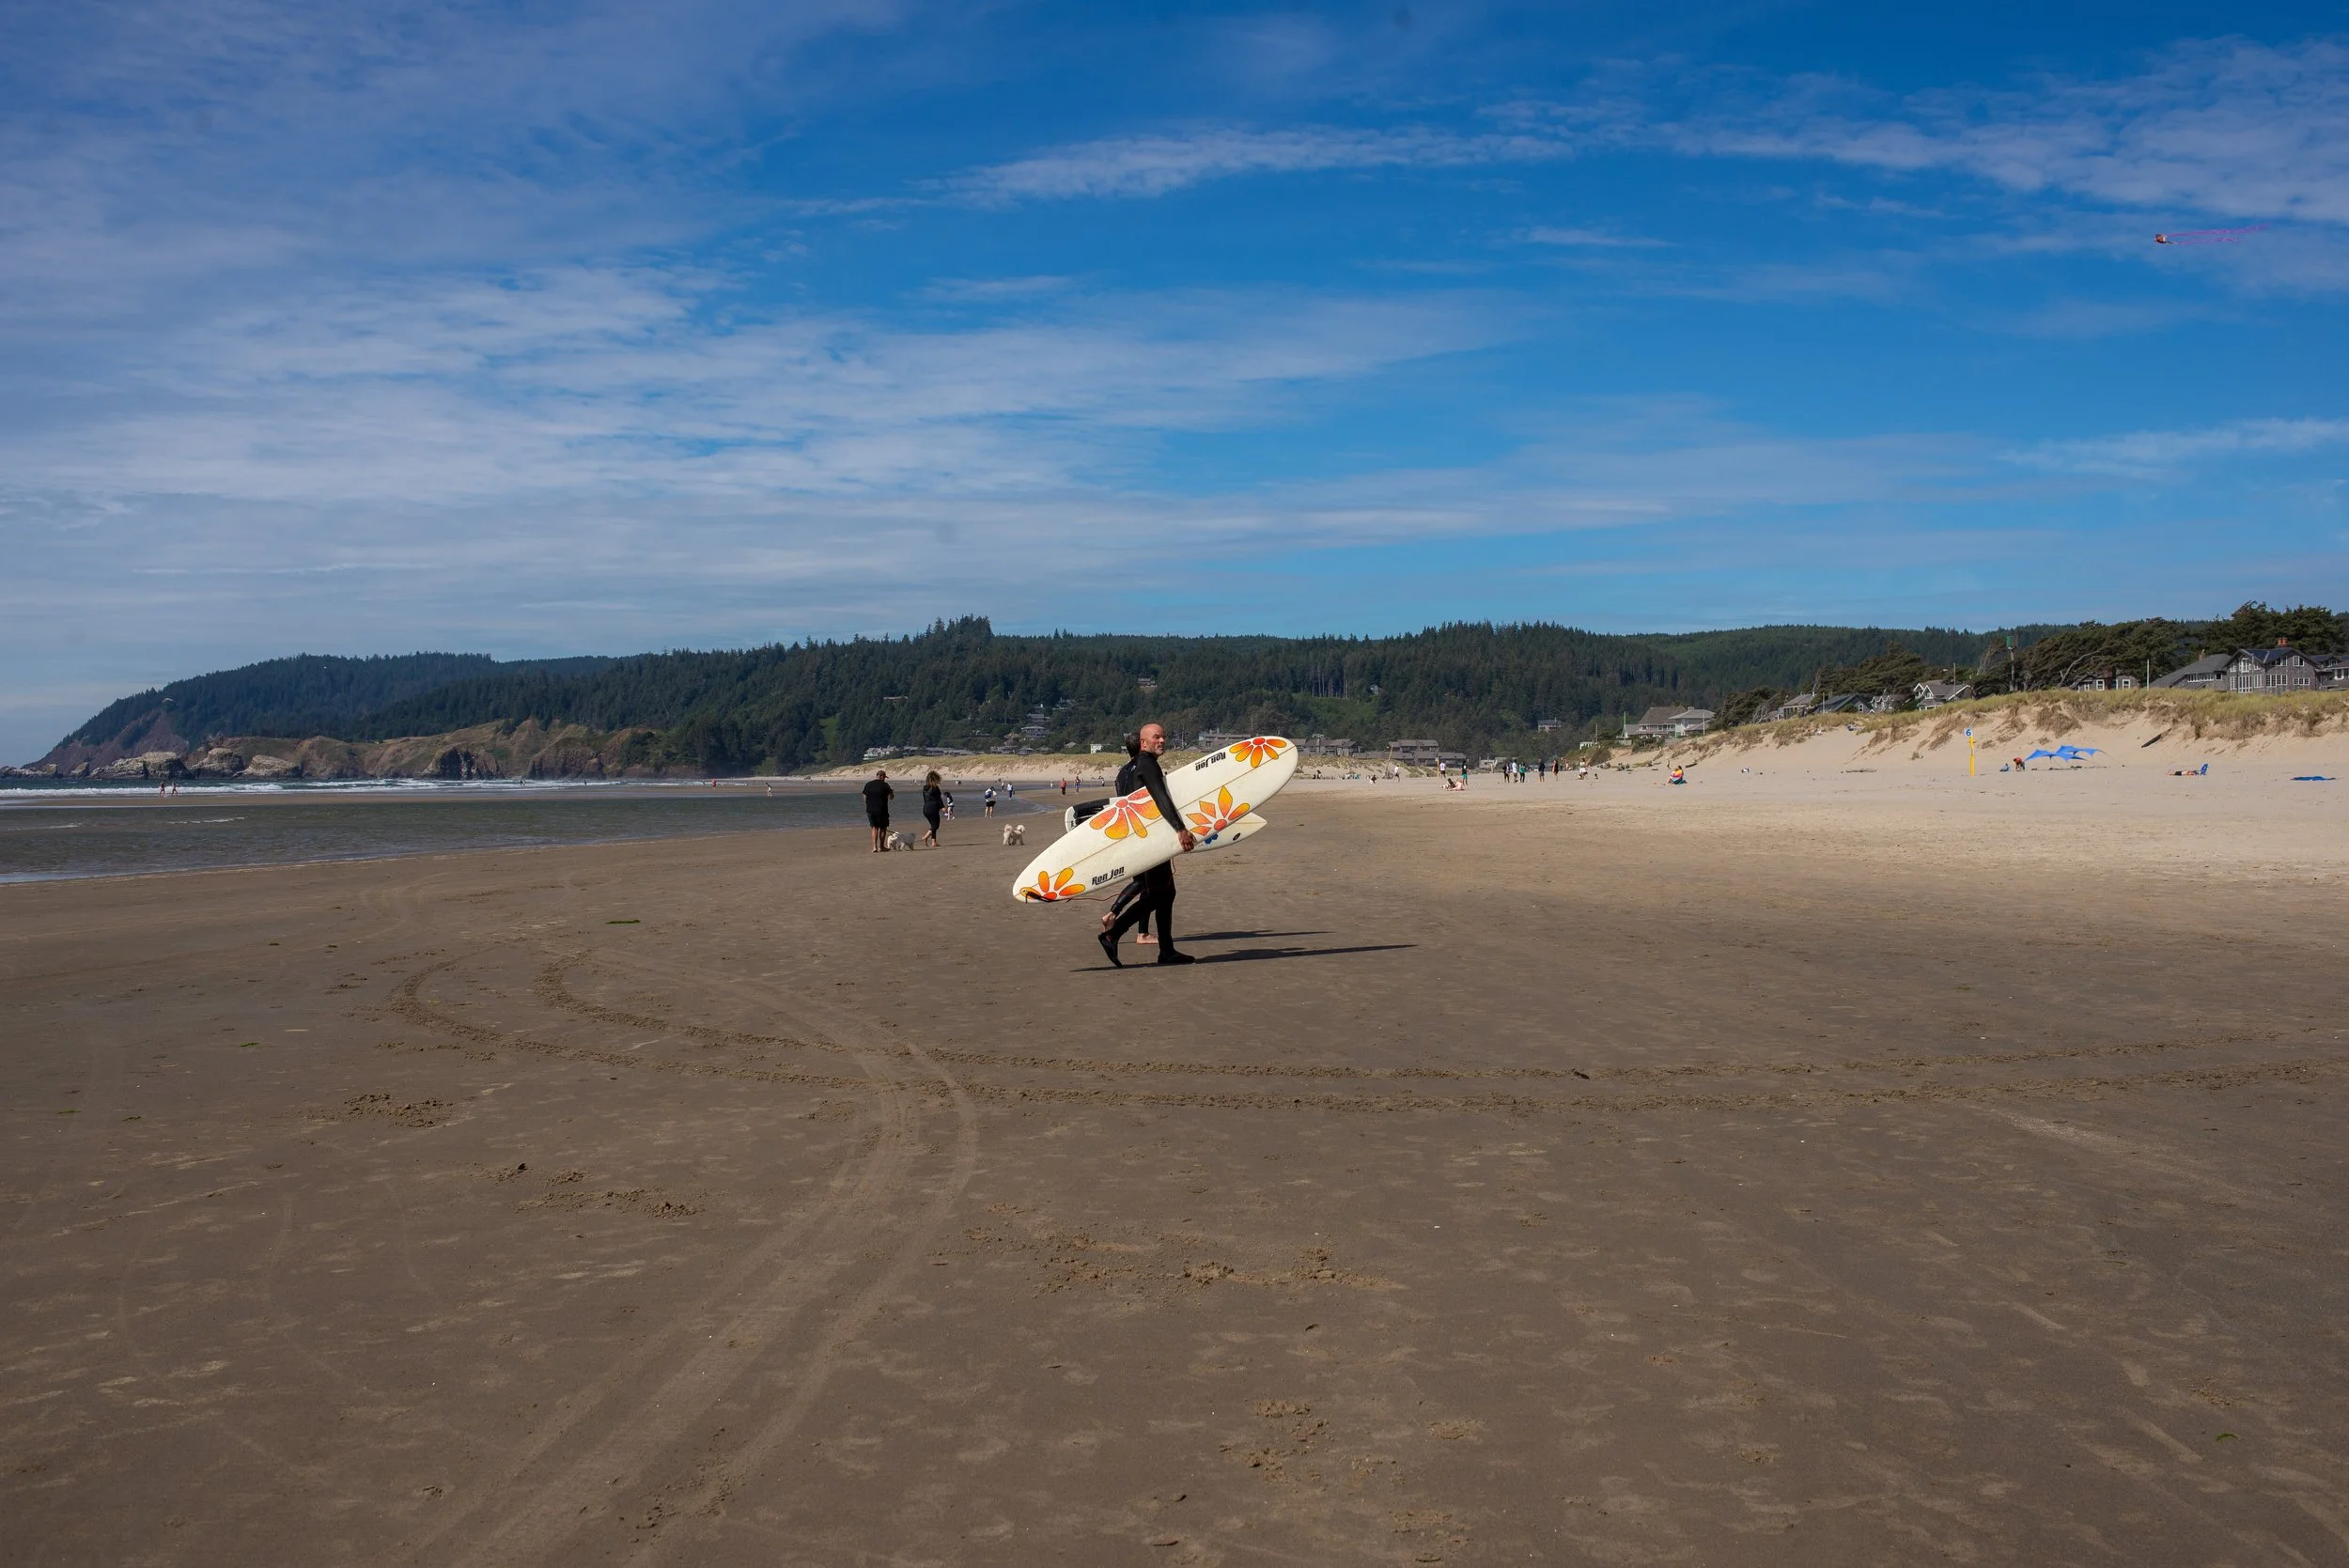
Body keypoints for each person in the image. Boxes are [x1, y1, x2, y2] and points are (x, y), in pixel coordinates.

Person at [1099, 723, 1196, 967]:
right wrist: (1179, 828)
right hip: (1150, 840)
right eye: (1156, 737)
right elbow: (1159, 795)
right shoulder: (1147, 764)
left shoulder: (1128, 770)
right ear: (1143, 743)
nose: (1162, 740)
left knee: (1164, 893)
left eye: (1163, 736)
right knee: (1158, 894)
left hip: (1139, 838)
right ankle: (1113, 933)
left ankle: (1167, 950)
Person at [863, 768, 894, 852]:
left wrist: (869, 805)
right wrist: (892, 793)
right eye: (884, 777)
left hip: (870, 809)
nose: (884, 779)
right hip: (882, 809)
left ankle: (874, 847)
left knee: (874, 827)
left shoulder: (868, 784)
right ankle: (881, 846)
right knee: (883, 828)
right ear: (882, 776)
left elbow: (865, 798)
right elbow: (891, 797)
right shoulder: (885, 785)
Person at [920, 770, 944, 846]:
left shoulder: (925, 788)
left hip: (925, 808)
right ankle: (926, 837)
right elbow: (938, 799)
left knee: (933, 826)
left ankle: (934, 842)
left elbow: (925, 799)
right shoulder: (935, 788)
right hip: (933, 808)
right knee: (935, 826)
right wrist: (942, 807)